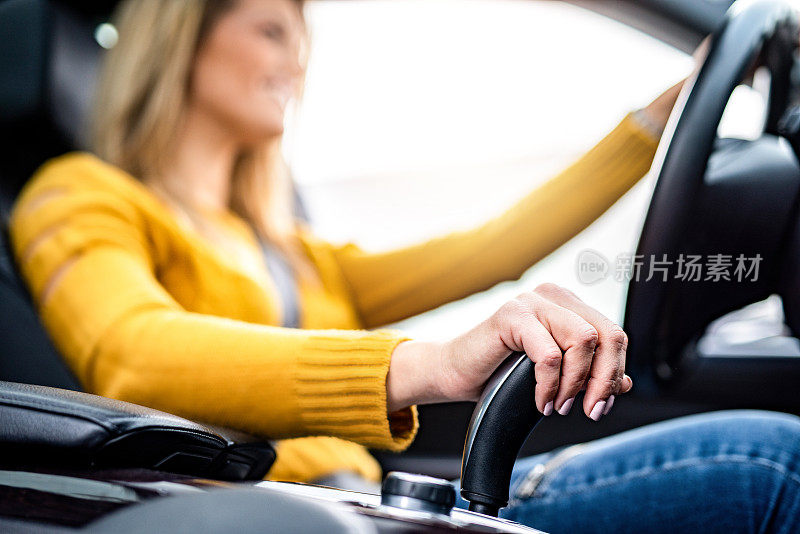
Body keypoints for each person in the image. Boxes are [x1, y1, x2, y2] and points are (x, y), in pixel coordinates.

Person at [8, 0, 799, 532]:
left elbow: (494, 249)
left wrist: (658, 120)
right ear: (182, 34)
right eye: (271, 30)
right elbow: (133, 353)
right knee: (772, 466)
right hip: (291, 510)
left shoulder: (287, 247)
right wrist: (430, 365)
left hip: (369, 501)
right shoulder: (79, 196)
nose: (298, 61)